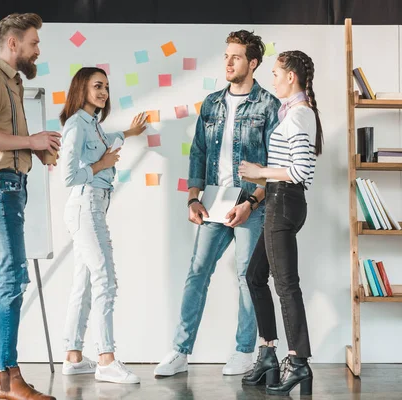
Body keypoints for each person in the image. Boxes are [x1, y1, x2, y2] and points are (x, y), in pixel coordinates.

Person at [154, 30, 281, 377]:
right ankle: (180, 352)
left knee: (247, 277)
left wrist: (252, 204)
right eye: (226, 55)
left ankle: (244, 351)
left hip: (249, 203)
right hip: (212, 201)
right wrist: (193, 197)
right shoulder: (211, 103)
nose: (228, 62)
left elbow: (274, 164)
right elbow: (198, 152)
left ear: (253, 63)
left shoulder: (269, 105)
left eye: (236, 57)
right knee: (197, 273)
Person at [0, 13, 60, 400]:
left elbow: (5, 136)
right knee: (13, 280)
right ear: (13, 44)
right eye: (33, 43)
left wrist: (35, 148)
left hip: (5, 186)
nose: (37, 49)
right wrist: (31, 141)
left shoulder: (13, 83)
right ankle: (8, 378)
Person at [239, 50, 323, 396]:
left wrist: (260, 172)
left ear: (291, 77)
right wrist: (256, 193)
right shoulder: (294, 112)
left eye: (275, 73)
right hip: (277, 202)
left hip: (285, 203)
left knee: (286, 285)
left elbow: (303, 172)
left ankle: (298, 361)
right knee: (255, 276)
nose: (272, 80)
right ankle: (269, 353)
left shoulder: (300, 114)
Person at [59, 67, 147, 384]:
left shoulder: (92, 124)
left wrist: (131, 134)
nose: (104, 92)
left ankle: (72, 356)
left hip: (93, 205)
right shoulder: (76, 126)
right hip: (86, 205)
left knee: (83, 283)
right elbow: (68, 176)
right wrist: (102, 165)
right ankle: (106, 359)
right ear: (81, 88)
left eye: (107, 87)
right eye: (97, 86)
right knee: (105, 280)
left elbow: (106, 139)